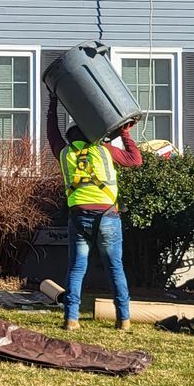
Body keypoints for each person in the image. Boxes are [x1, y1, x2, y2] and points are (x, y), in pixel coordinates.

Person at [46, 97, 143, 330]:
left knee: (77, 268)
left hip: (79, 216)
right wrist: (124, 133)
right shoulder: (104, 150)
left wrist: (53, 105)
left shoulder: (65, 153)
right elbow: (136, 160)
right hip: (108, 215)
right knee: (115, 267)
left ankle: (71, 319)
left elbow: (52, 135)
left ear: (71, 138)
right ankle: (124, 319)